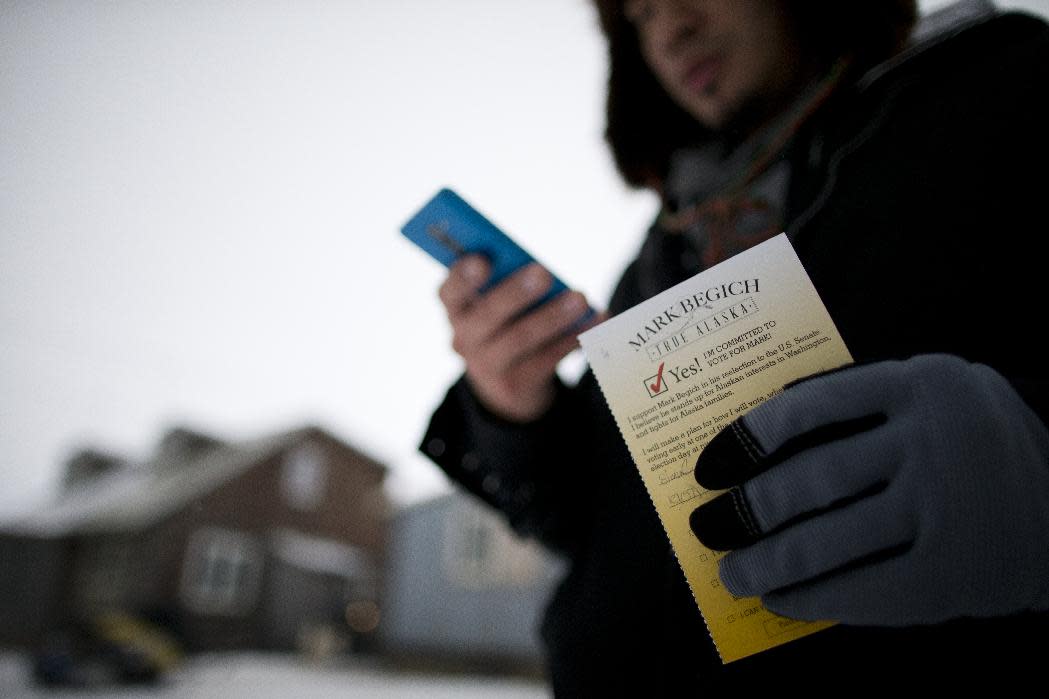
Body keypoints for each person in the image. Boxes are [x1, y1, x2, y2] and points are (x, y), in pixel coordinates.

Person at [421, 0, 1049, 692]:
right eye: (638, 16)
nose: (668, 31)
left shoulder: (1002, 91)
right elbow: (594, 524)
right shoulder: (659, 254)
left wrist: (1037, 484)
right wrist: (514, 409)